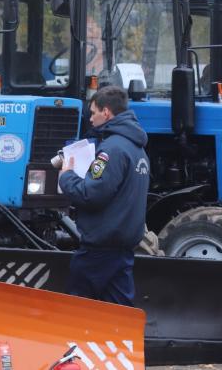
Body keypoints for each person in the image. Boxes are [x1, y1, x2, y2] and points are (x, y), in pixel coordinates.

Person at [58, 85, 150, 306]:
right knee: (118, 312)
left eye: (93, 112)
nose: (90, 119)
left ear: (106, 112)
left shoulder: (112, 150)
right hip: (123, 249)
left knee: (76, 309)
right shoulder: (137, 149)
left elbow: (91, 194)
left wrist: (66, 176)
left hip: (99, 249)